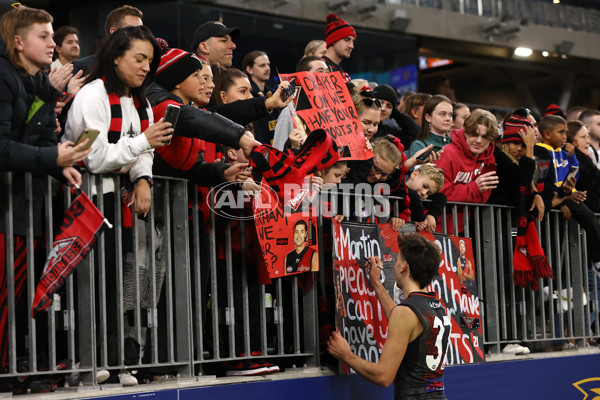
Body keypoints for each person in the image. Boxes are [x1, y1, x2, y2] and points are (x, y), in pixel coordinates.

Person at [63, 25, 173, 386]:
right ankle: (86, 360)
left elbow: (144, 152)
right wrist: (141, 145)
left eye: (150, 61)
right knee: (87, 285)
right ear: (115, 57)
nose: (145, 67)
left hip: (114, 204)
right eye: (138, 59)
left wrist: (143, 178)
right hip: (83, 203)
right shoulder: (91, 97)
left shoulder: (140, 102)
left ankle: (114, 360)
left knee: (113, 283)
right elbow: (93, 158)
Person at [0, 5, 89, 381]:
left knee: (22, 298)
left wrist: (60, 163)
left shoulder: (33, 81)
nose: (54, 44)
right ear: (18, 43)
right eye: (45, 36)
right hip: (8, 210)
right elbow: (3, 147)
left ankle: (15, 364)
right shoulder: (5, 78)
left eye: (53, 35)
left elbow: (34, 137)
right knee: (7, 297)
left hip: (27, 208)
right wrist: (53, 154)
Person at [327, 233, 450, 399]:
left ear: (404, 266)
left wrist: (346, 355)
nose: (394, 266)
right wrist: (376, 284)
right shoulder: (437, 307)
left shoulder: (406, 313)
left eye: (397, 260)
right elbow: (403, 320)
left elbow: (383, 376)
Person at [535, 114, 600, 280]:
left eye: (566, 133)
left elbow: (574, 176)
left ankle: (597, 259)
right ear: (547, 134)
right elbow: (542, 182)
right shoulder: (541, 151)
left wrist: (572, 157)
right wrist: (559, 204)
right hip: (553, 199)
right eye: (561, 132)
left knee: (590, 218)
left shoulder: (563, 152)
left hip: (568, 195)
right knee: (554, 247)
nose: (565, 137)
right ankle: (551, 284)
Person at [435, 109, 499, 235]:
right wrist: (474, 188)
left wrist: (466, 194)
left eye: (485, 136)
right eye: (474, 134)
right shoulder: (448, 153)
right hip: (433, 226)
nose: (479, 141)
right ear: (465, 132)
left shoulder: (488, 157)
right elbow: (440, 194)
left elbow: (482, 198)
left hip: (460, 229)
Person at [272, 55, 328, 151]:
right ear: (303, 77)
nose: (326, 76)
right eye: (320, 71)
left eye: (327, 72)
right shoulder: (289, 114)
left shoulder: (333, 111)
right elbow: (278, 152)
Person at [72, 5, 143, 77]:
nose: (140, 35)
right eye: (132, 30)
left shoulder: (144, 67)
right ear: (114, 32)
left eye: (142, 31)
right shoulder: (83, 67)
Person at [242, 50, 279, 144]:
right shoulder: (247, 95)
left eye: (268, 65)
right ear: (249, 69)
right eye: (262, 65)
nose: (267, 68)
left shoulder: (272, 93)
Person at [567, 120, 600, 213]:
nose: (588, 141)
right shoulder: (573, 162)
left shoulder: (587, 160)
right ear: (572, 140)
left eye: (588, 136)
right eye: (583, 137)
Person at [322, 13, 356, 83]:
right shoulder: (318, 67)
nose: (351, 46)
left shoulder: (344, 75)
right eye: (347, 40)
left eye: (353, 41)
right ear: (333, 40)